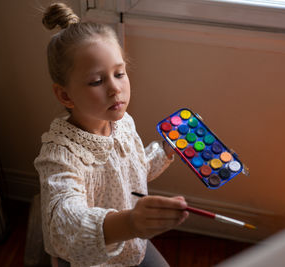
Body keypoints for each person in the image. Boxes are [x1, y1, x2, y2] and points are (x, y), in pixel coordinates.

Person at [34, 3, 189, 266]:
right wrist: (130, 222)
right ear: (65, 95)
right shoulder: (60, 156)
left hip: (132, 241)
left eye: (119, 73)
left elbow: (133, 170)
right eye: (97, 81)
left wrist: (165, 150)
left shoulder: (122, 122)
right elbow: (63, 222)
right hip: (93, 257)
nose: (115, 89)